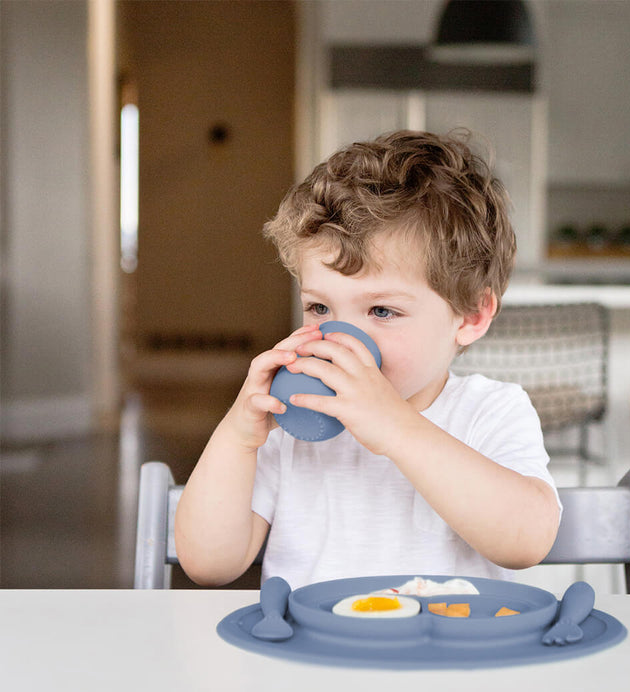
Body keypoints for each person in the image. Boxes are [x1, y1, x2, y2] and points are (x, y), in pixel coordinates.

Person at [175, 129, 561, 589]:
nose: (342, 339)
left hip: (446, 635)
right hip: (312, 636)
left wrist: (395, 427)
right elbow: (208, 564)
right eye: (320, 308)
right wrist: (239, 436)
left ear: (471, 316)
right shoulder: (292, 427)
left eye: (381, 311)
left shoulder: (489, 411)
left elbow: (526, 541)